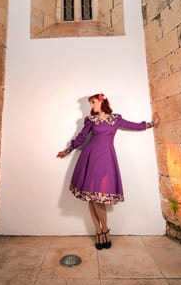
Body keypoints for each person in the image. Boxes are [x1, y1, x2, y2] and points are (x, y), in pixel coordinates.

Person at [57, 93, 160, 250]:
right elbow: (81, 137)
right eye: (91, 103)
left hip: (106, 160)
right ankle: (99, 231)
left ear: (102, 102)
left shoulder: (116, 119)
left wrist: (152, 124)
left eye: (94, 102)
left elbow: (134, 125)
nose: (92, 106)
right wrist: (68, 150)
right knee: (92, 198)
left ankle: (105, 229)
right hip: (90, 158)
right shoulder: (90, 120)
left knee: (99, 198)